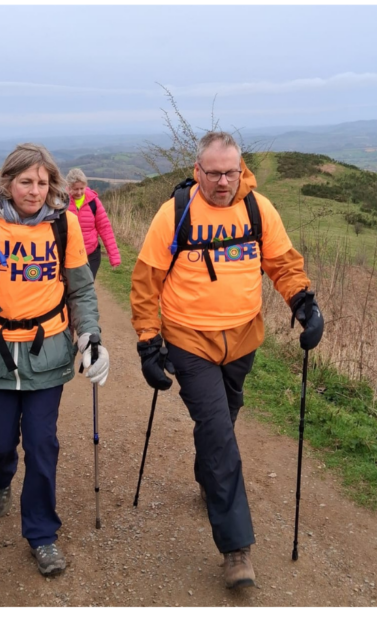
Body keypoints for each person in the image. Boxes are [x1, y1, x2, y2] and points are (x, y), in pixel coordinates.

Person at [128, 131, 320, 588]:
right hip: (188, 340)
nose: (221, 182)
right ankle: (236, 550)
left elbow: (282, 263)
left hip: (243, 338)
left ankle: (208, 476)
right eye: (212, 173)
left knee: (224, 420)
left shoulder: (258, 209)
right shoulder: (175, 213)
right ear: (197, 171)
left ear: (240, 170)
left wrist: (303, 304)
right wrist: (148, 342)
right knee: (218, 434)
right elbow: (147, 280)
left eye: (230, 173)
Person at [0, 143, 109, 577]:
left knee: (42, 443)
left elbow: (81, 289)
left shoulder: (64, 224)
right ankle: (0, 476)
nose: (34, 191)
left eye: (42, 183)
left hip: (46, 352)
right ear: (8, 182)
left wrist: (90, 336)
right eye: (26, 182)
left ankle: (42, 535)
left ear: (52, 185)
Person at [65, 167, 122, 271]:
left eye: (81, 188)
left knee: (88, 282)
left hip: (91, 255)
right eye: (75, 189)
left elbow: (105, 228)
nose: (79, 192)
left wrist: (114, 257)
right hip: (69, 255)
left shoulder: (93, 202)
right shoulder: (62, 202)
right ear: (68, 187)